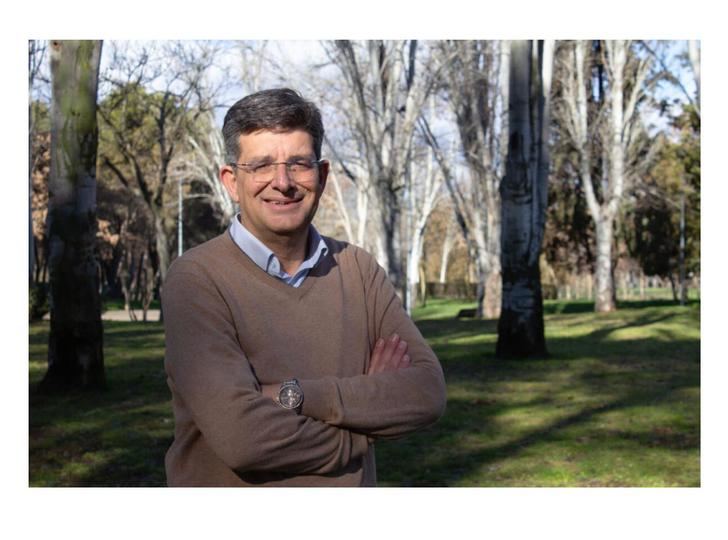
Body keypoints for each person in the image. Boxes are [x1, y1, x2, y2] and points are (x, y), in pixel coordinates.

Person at [162, 88, 446, 487]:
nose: (282, 182)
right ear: (231, 181)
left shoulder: (358, 269)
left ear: (322, 175)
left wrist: (291, 395)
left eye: (298, 164)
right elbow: (244, 440)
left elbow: (426, 392)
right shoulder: (196, 279)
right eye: (261, 165)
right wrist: (363, 428)